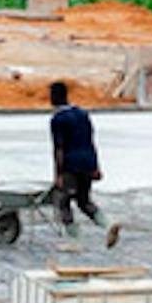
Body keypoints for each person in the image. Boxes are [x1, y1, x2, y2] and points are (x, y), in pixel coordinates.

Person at [45, 81, 119, 243]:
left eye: (50, 95)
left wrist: (58, 175)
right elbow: (90, 141)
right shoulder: (82, 114)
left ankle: (75, 240)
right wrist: (96, 166)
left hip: (71, 166)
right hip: (88, 162)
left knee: (62, 201)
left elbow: (59, 148)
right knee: (84, 201)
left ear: (55, 96)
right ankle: (108, 224)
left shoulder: (58, 119)